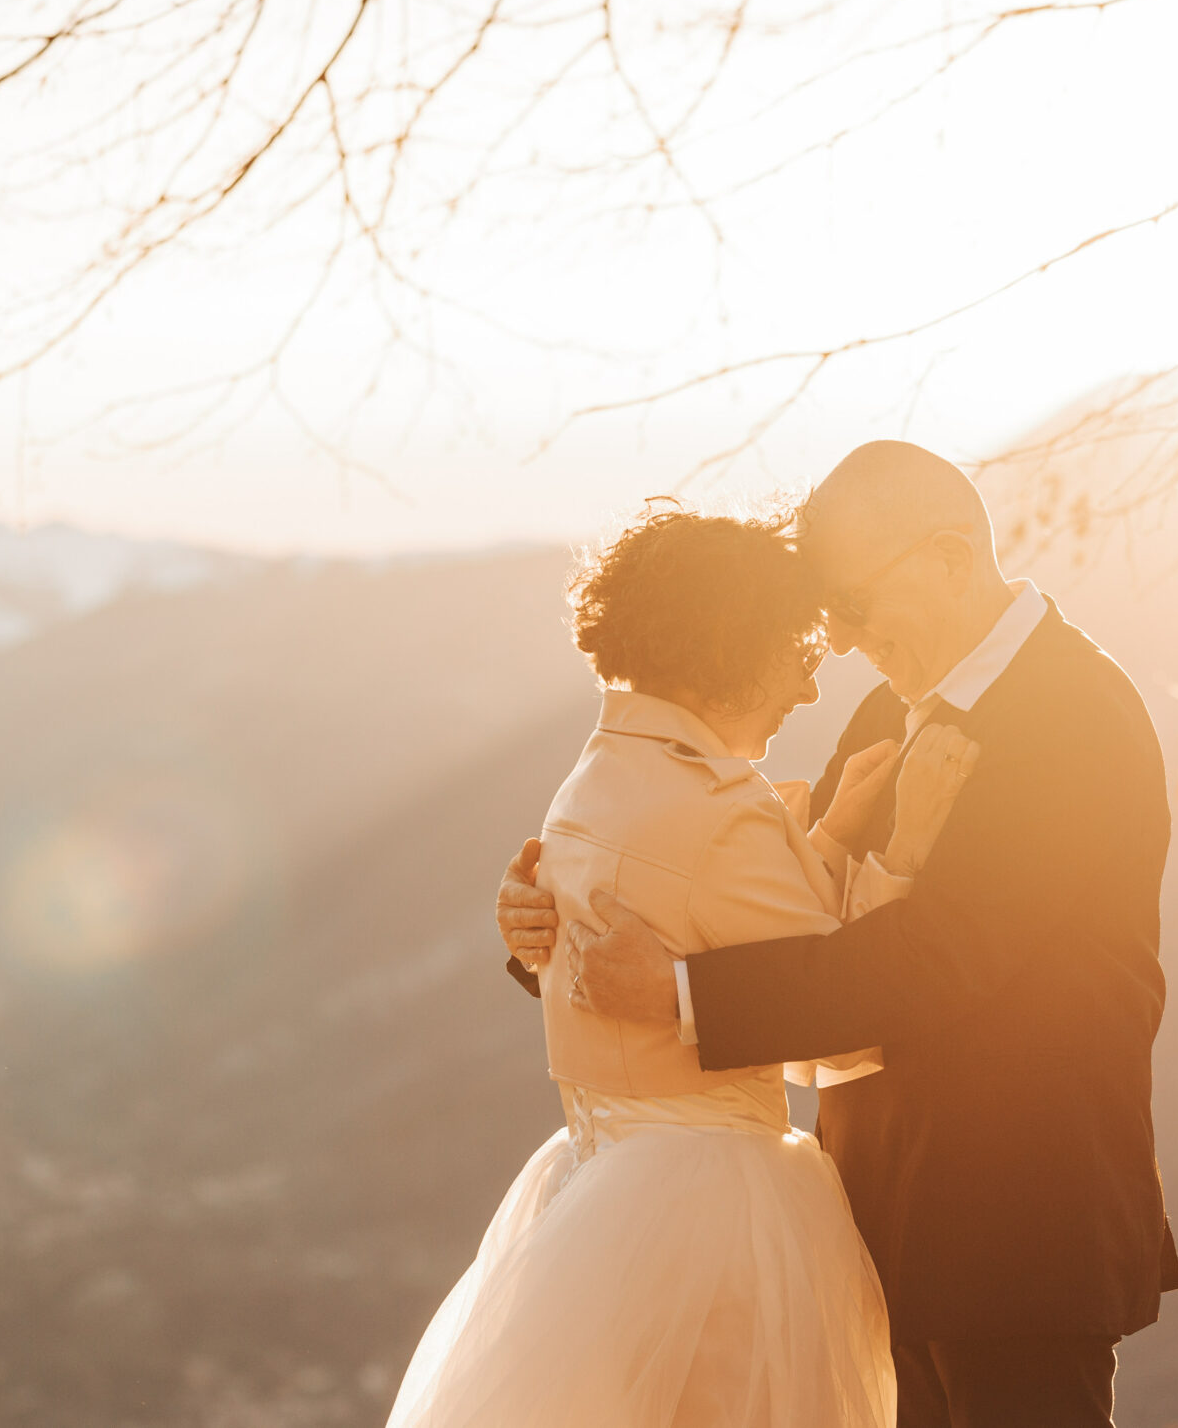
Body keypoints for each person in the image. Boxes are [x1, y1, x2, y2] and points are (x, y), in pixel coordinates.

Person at [497, 442, 1178, 1428]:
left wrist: (675, 992)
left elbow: (934, 959)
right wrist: (559, 937)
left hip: (1019, 1234)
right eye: (832, 616)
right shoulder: (886, 711)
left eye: (855, 604)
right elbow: (777, 913)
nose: (847, 640)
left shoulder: (1074, 717)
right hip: (873, 1229)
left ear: (950, 559)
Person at [391, 503, 977, 1428]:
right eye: (800, 656)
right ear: (733, 649)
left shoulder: (591, 782)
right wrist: (900, 861)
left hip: (605, 1188)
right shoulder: (722, 810)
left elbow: (708, 924)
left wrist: (822, 839)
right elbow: (842, 1035)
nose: (808, 692)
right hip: (719, 1221)